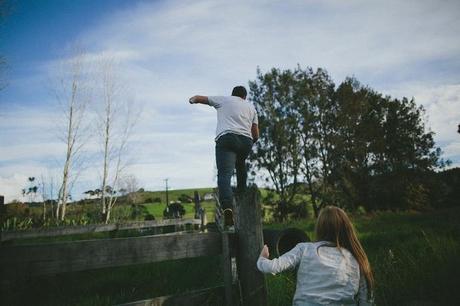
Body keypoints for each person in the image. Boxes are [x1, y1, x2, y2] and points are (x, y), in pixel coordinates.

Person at [257, 206, 374, 306]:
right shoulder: (355, 258)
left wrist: (262, 257)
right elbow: (366, 301)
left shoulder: (304, 248)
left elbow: (272, 267)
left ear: (319, 227)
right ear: (346, 229)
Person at [189, 86, 259, 226]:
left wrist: (192, 100)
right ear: (244, 97)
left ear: (232, 94)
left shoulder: (224, 100)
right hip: (246, 141)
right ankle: (241, 196)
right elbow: (256, 133)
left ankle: (227, 207)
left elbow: (200, 98)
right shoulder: (251, 108)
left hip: (227, 139)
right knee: (240, 166)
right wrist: (250, 142)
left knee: (224, 175)